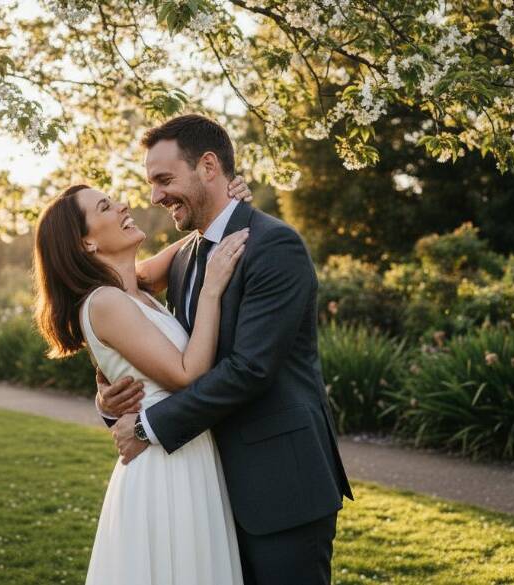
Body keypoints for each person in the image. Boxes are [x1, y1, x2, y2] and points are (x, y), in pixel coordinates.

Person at [97, 114, 354, 585]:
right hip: (208, 494)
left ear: (209, 167)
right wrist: (109, 397)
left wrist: (148, 427)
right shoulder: (184, 257)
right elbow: (129, 318)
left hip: (281, 488)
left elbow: (250, 369)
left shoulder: (273, 245)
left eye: (164, 179)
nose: (155, 196)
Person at [32, 173, 253, 584]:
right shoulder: (106, 302)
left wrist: (227, 201)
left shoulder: (136, 288)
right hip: (165, 468)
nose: (123, 206)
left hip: (186, 453)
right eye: (105, 207)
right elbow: (186, 375)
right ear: (86, 243)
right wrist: (211, 290)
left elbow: (201, 239)